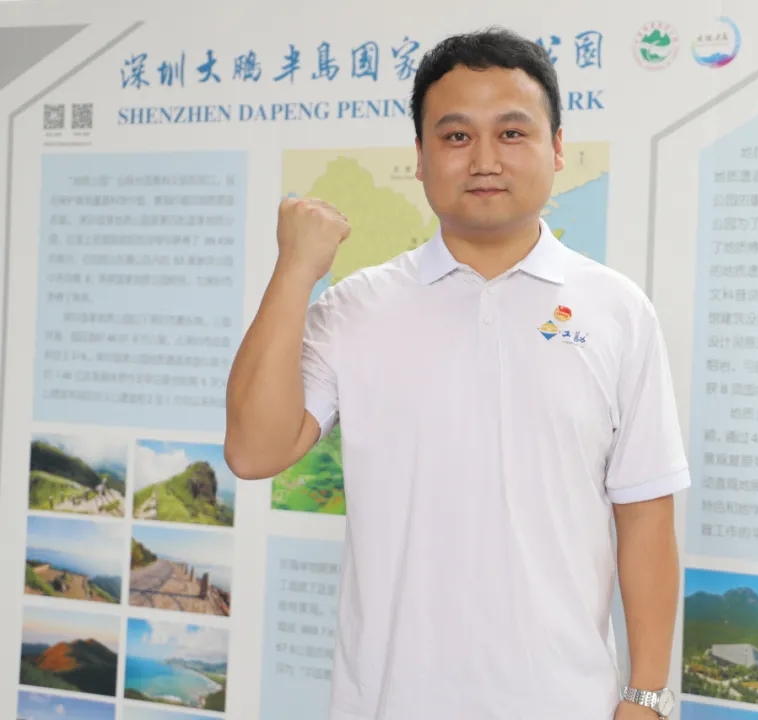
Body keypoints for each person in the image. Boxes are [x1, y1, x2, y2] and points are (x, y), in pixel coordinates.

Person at [225, 26, 689, 720]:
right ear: (420, 157)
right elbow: (253, 451)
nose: (484, 160)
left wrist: (646, 697)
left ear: (558, 148)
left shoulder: (618, 311)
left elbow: (645, 513)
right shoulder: (358, 307)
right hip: (388, 702)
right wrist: (296, 269)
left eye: (512, 133)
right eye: (456, 136)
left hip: (566, 703)